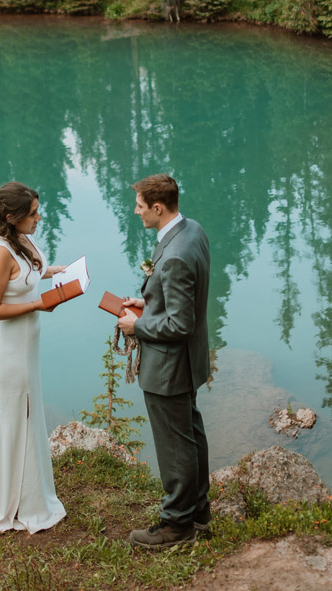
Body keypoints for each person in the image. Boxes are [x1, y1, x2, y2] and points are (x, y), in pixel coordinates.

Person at [0, 181, 66, 533]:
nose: (39, 218)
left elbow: (27, 274)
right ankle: (5, 499)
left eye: (38, 211)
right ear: (12, 217)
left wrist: (54, 272)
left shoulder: (20, 240)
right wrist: (39, 303)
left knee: (25, 413)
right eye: (33, 213)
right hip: (2, 351)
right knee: (9, 417)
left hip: (24, 348)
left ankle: (25, 492)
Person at [117, 173, 211, 549]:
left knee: (174, 445)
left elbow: (179, 323)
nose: (135, 211)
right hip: (190, 362)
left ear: (158, 207)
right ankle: (199, 511)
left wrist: (137, 325)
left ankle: (176, 525)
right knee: (191, 434)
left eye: (140, 206)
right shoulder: (192, 231)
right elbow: (178, 302)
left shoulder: (172, 256)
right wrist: (148, 302)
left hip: (169, 368)